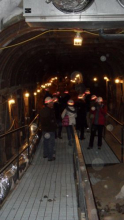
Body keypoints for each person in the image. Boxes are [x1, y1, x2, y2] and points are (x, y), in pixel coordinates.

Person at [40, 97, 57, 161]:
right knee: (51, 143)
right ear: (48, 103)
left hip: (44, 129)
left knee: (45, 142)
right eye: (51, 103)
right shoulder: (50, 111)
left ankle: (45, 154)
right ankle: (50, 157)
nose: (53, 103)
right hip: (50, 129)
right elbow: (52, 120)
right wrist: (54, 126)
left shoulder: (42, 110)